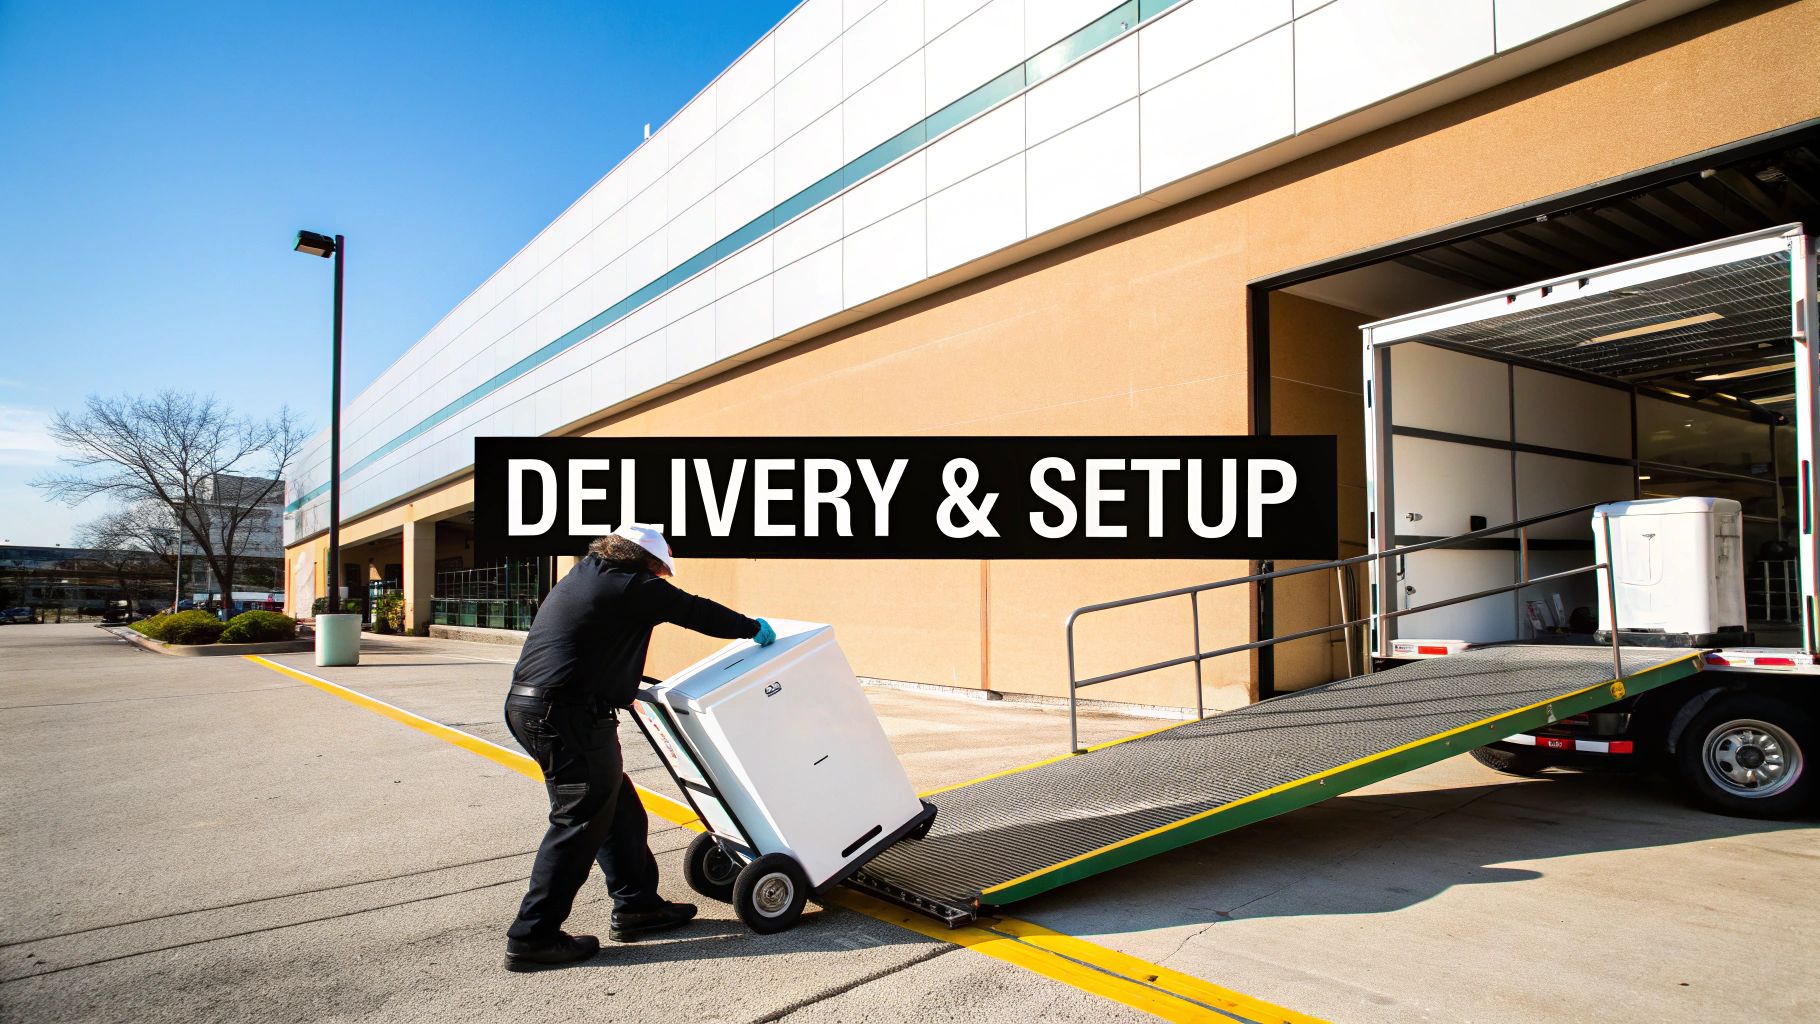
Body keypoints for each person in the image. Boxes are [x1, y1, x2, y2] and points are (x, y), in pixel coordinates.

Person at [501, 523, 776, 972]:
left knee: (619, 811)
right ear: (647, 562)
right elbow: (697, 611)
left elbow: (593, 644)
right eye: (660, 569)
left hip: (540, 709)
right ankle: (533, 936)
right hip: (565, 715)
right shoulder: (631, 586)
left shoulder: (585, 575)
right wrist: (752, 628)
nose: (660, 578)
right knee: (579, 822)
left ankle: (637, 907)